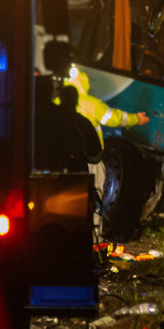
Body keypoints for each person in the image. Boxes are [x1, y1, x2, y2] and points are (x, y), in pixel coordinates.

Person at [61, 68, 150, 236]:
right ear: (84, 82)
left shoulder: (58, 103)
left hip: (67, 160)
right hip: (91, 161)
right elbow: (114, 118)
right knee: (94, 199)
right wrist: (136, 119)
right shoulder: (91, 103)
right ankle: (93, 239)